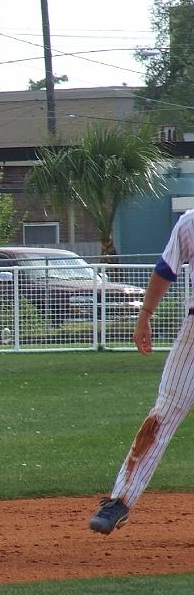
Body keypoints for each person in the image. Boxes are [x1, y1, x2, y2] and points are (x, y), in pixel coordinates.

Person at [89, 208, 194, 534]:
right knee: (162, 416)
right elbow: (166, 267)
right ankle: (120, 501)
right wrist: (145, 312)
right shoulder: (191, 222)